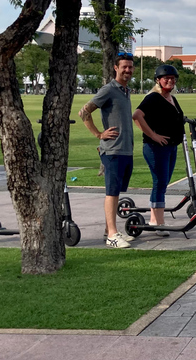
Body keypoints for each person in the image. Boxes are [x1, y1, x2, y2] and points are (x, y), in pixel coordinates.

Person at [79, 52, 136, 248]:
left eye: (130, 67)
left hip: (125, 149)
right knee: (111, 192)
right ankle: (112, 235)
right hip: (112, 150)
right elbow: (84, 112)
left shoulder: (125, 91)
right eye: (124, 67)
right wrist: (98, 134)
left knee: (116, 191)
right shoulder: (109, 89)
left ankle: (109, 230)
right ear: (116, 68)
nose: (127, 70)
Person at [132, 65, 185, 236]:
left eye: (172, 78)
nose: (170, 81)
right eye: (166, 78)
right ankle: (156, 222)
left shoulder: (171, 98)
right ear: (158, 80)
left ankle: (157, 218)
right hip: (156, 148)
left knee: (164, 182)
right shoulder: (154, 97)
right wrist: (153, 135)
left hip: (170, 147)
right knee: (160, 182)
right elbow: (137, 115)